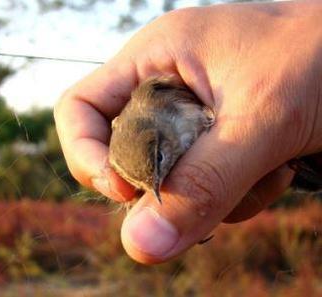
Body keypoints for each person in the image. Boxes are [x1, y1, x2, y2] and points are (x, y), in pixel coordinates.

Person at [54, 0, 322, 264]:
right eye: (144, 185)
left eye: (159, 163)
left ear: (160, 141)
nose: (159, 189)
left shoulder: (170, 106)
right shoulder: (126, 134)